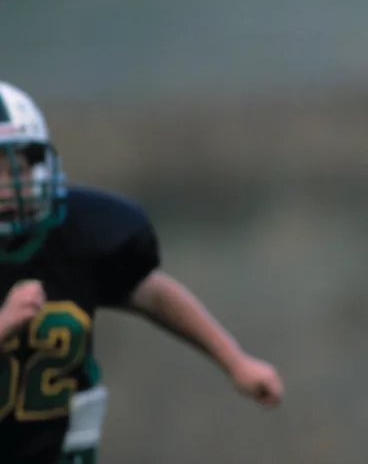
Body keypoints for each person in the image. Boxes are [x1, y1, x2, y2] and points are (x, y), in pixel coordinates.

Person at [0, 81, 285, 464]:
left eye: (15, 166)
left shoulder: (75, 233)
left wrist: (234, 360)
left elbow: (150, 292)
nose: (9, 186)